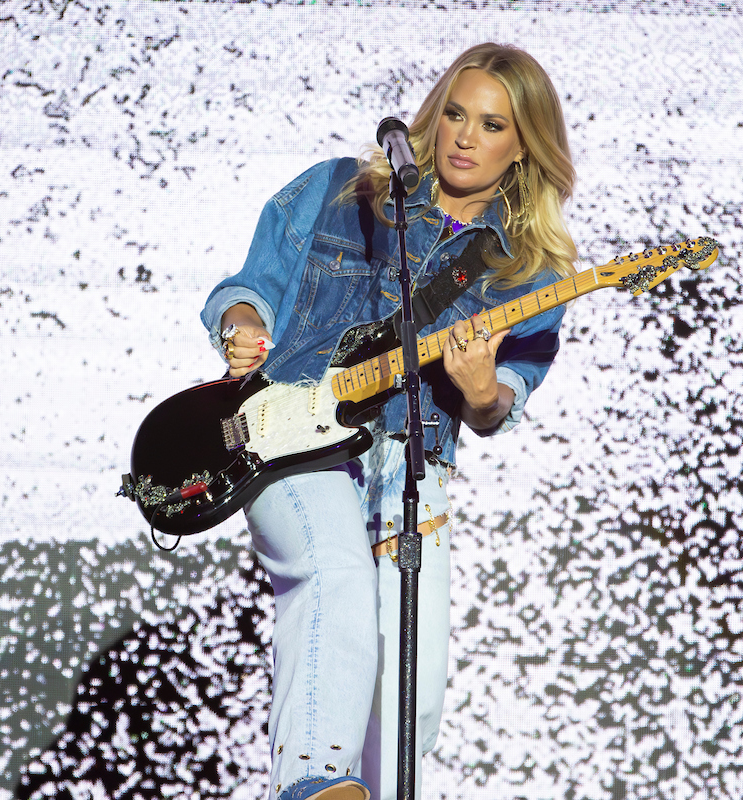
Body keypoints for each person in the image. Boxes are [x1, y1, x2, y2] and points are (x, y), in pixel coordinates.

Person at [200, 43, 577, 800]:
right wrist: (243, 326)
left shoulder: (530, 273)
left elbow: (501, 401)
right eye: (457, 115)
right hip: (289, 434)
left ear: (523, 145)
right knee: (333, 573)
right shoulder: (342, 190)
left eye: (493, 125)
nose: (466, 137)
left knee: (411, 700)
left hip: (410, 464)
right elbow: (249, 287)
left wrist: (479, 391)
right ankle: (311, 783)